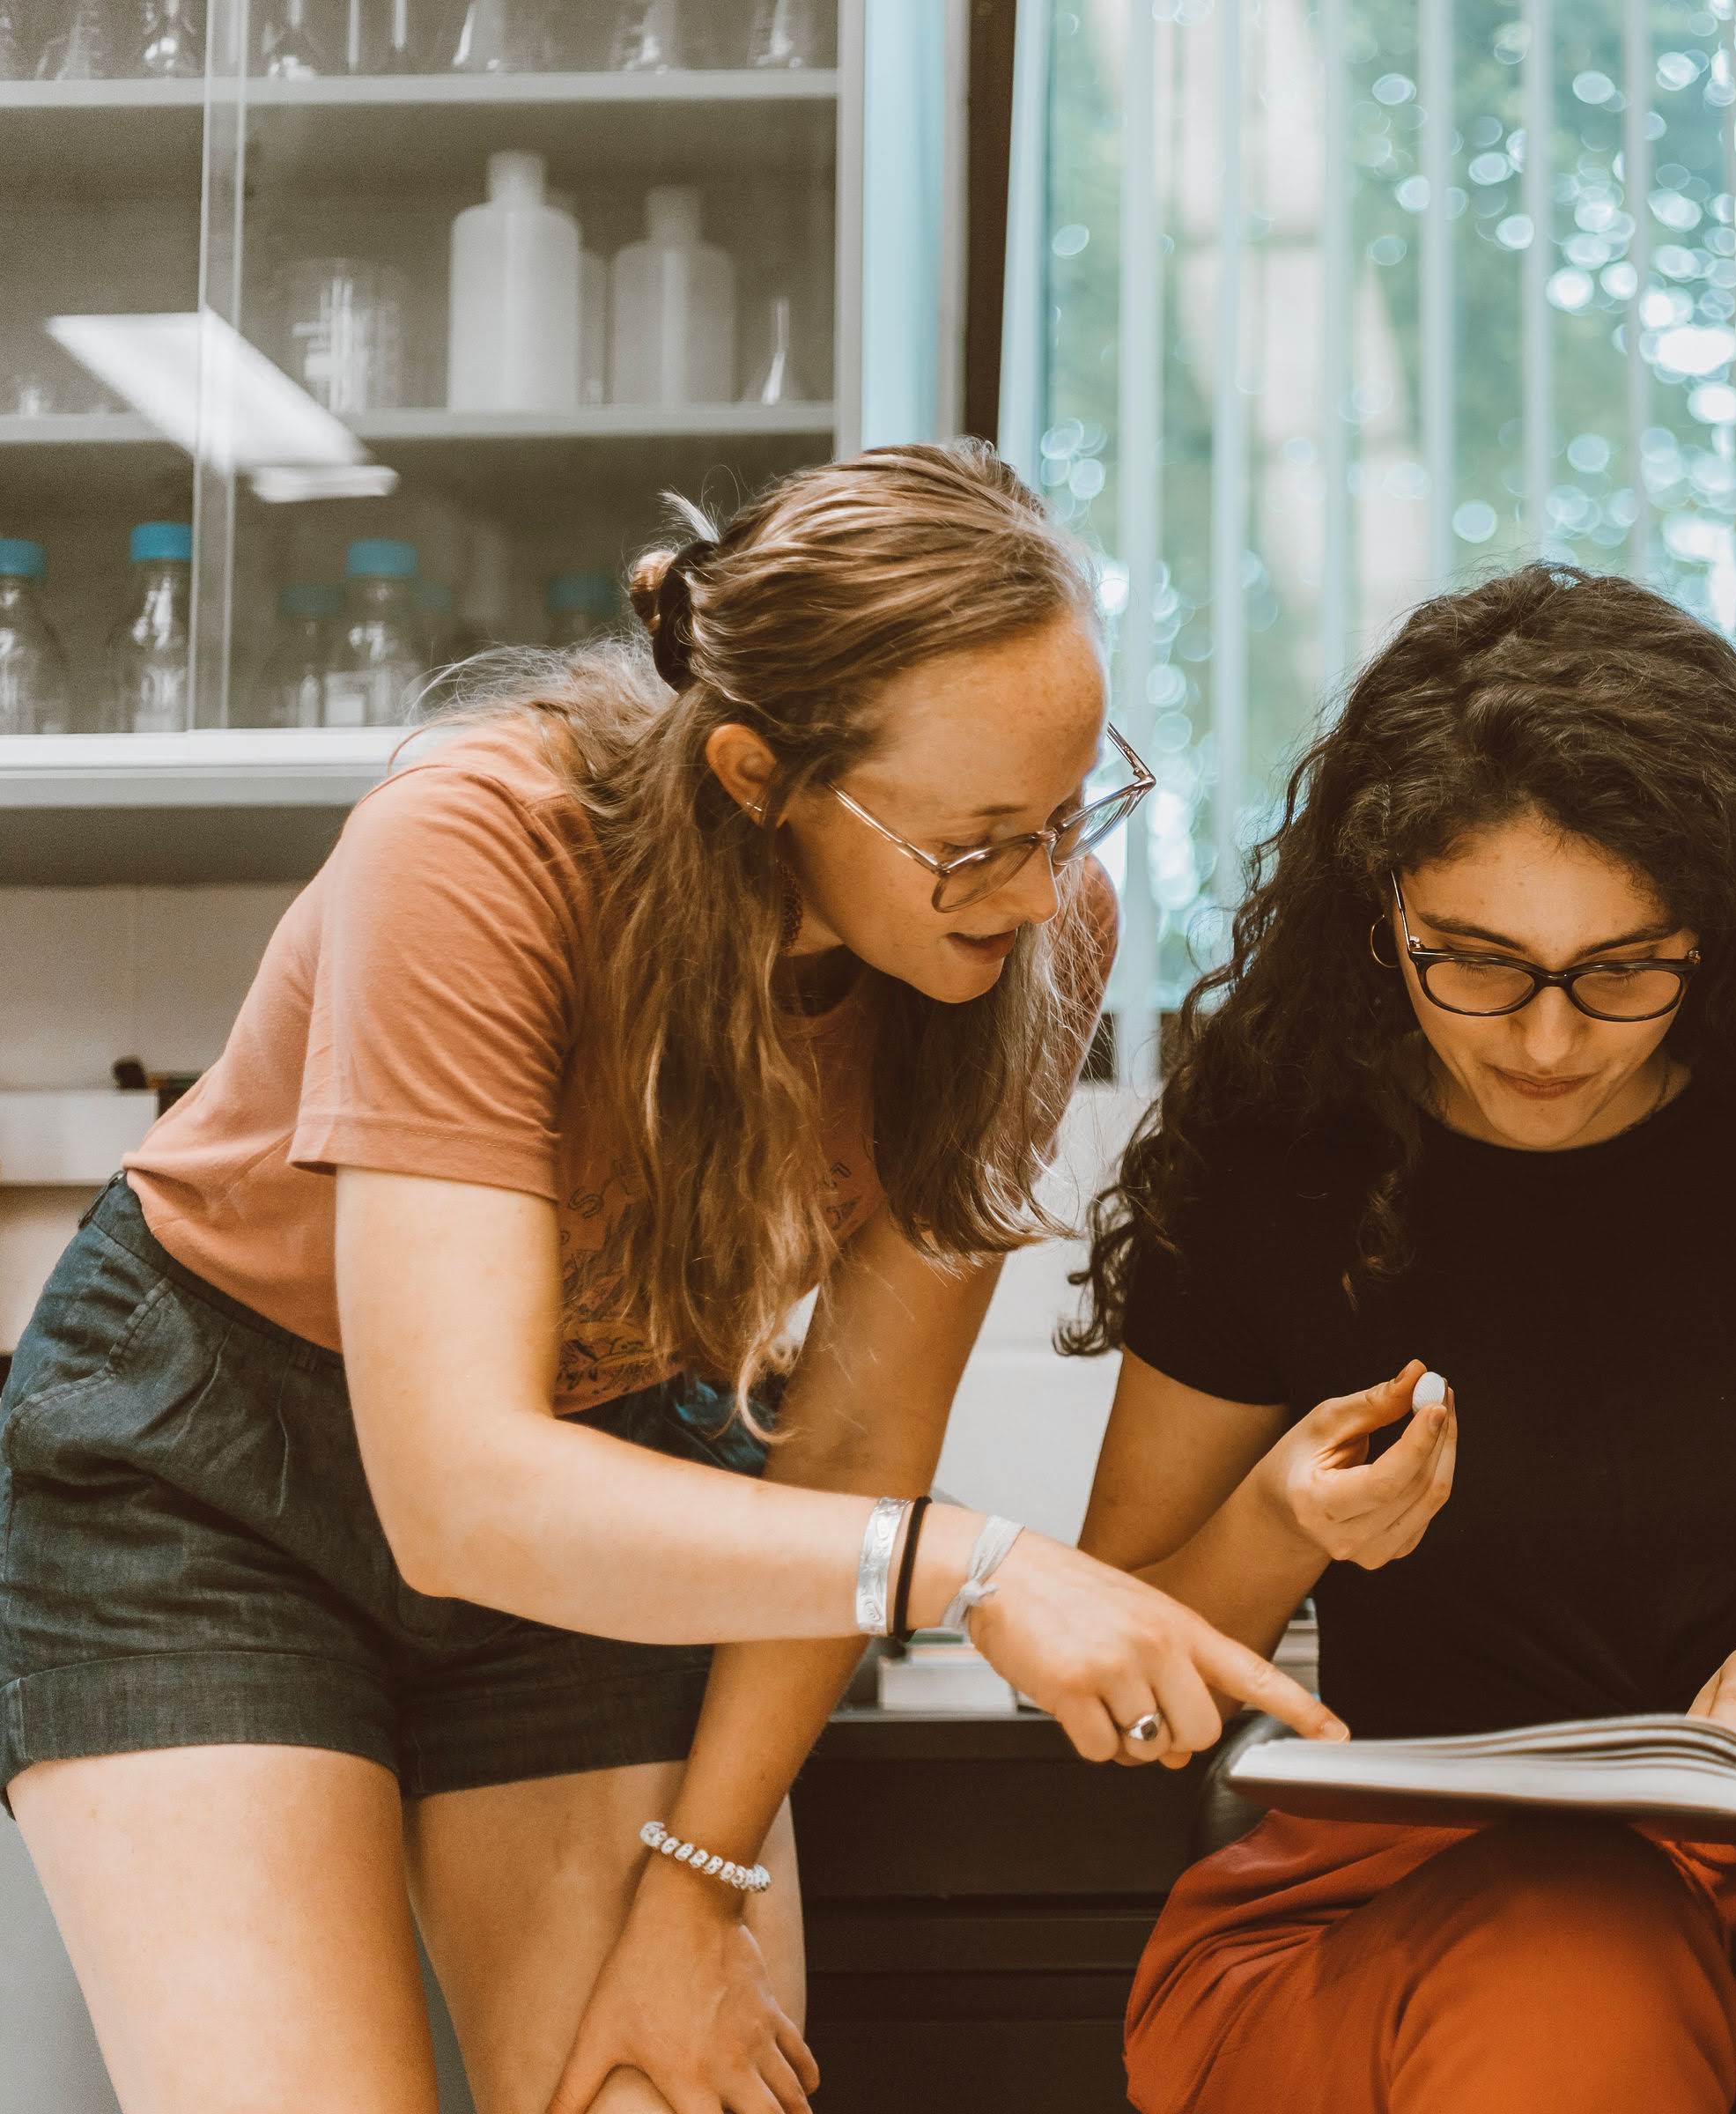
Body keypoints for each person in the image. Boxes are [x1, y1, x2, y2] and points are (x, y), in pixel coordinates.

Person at [0, 441, 1338, 2114]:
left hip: (616, 1456)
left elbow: (857, 1445)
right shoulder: (481, 848)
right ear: (756, 772)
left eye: (1074, 811)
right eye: (976, 839)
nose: (1036, 881)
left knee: (662, 2092)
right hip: (203, 1483)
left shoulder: (1039, 930)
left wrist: (695, 1893)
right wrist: (981, 1570)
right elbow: (460, 1492)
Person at [1067, 563, 1736, 2114]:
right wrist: (1283, 1523)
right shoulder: (1279, 1154)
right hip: (1402, 1916)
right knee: (1585, 1941)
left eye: (1621, 970)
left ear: (1716, 934)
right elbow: (1112, 1680)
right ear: (1375, 908)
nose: (1544, 1039)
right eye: (1473, 959)